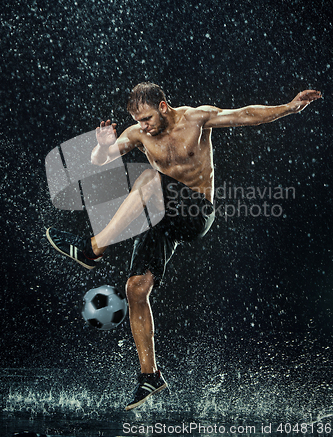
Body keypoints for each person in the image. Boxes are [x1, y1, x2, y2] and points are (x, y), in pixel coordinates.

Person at [46, 83, 322, 410]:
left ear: (163, 106)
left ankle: (93, 247)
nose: (143, 126)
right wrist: (102, 147)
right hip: (163, 218)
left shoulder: (196, 118)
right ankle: (150, 375)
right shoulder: (138, 134)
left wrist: (289, 107)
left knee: (148, 180)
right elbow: (100, 159)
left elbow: (246, 115)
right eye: (138, 120)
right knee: (135, 288)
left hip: (196, 212)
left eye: (147, 118)